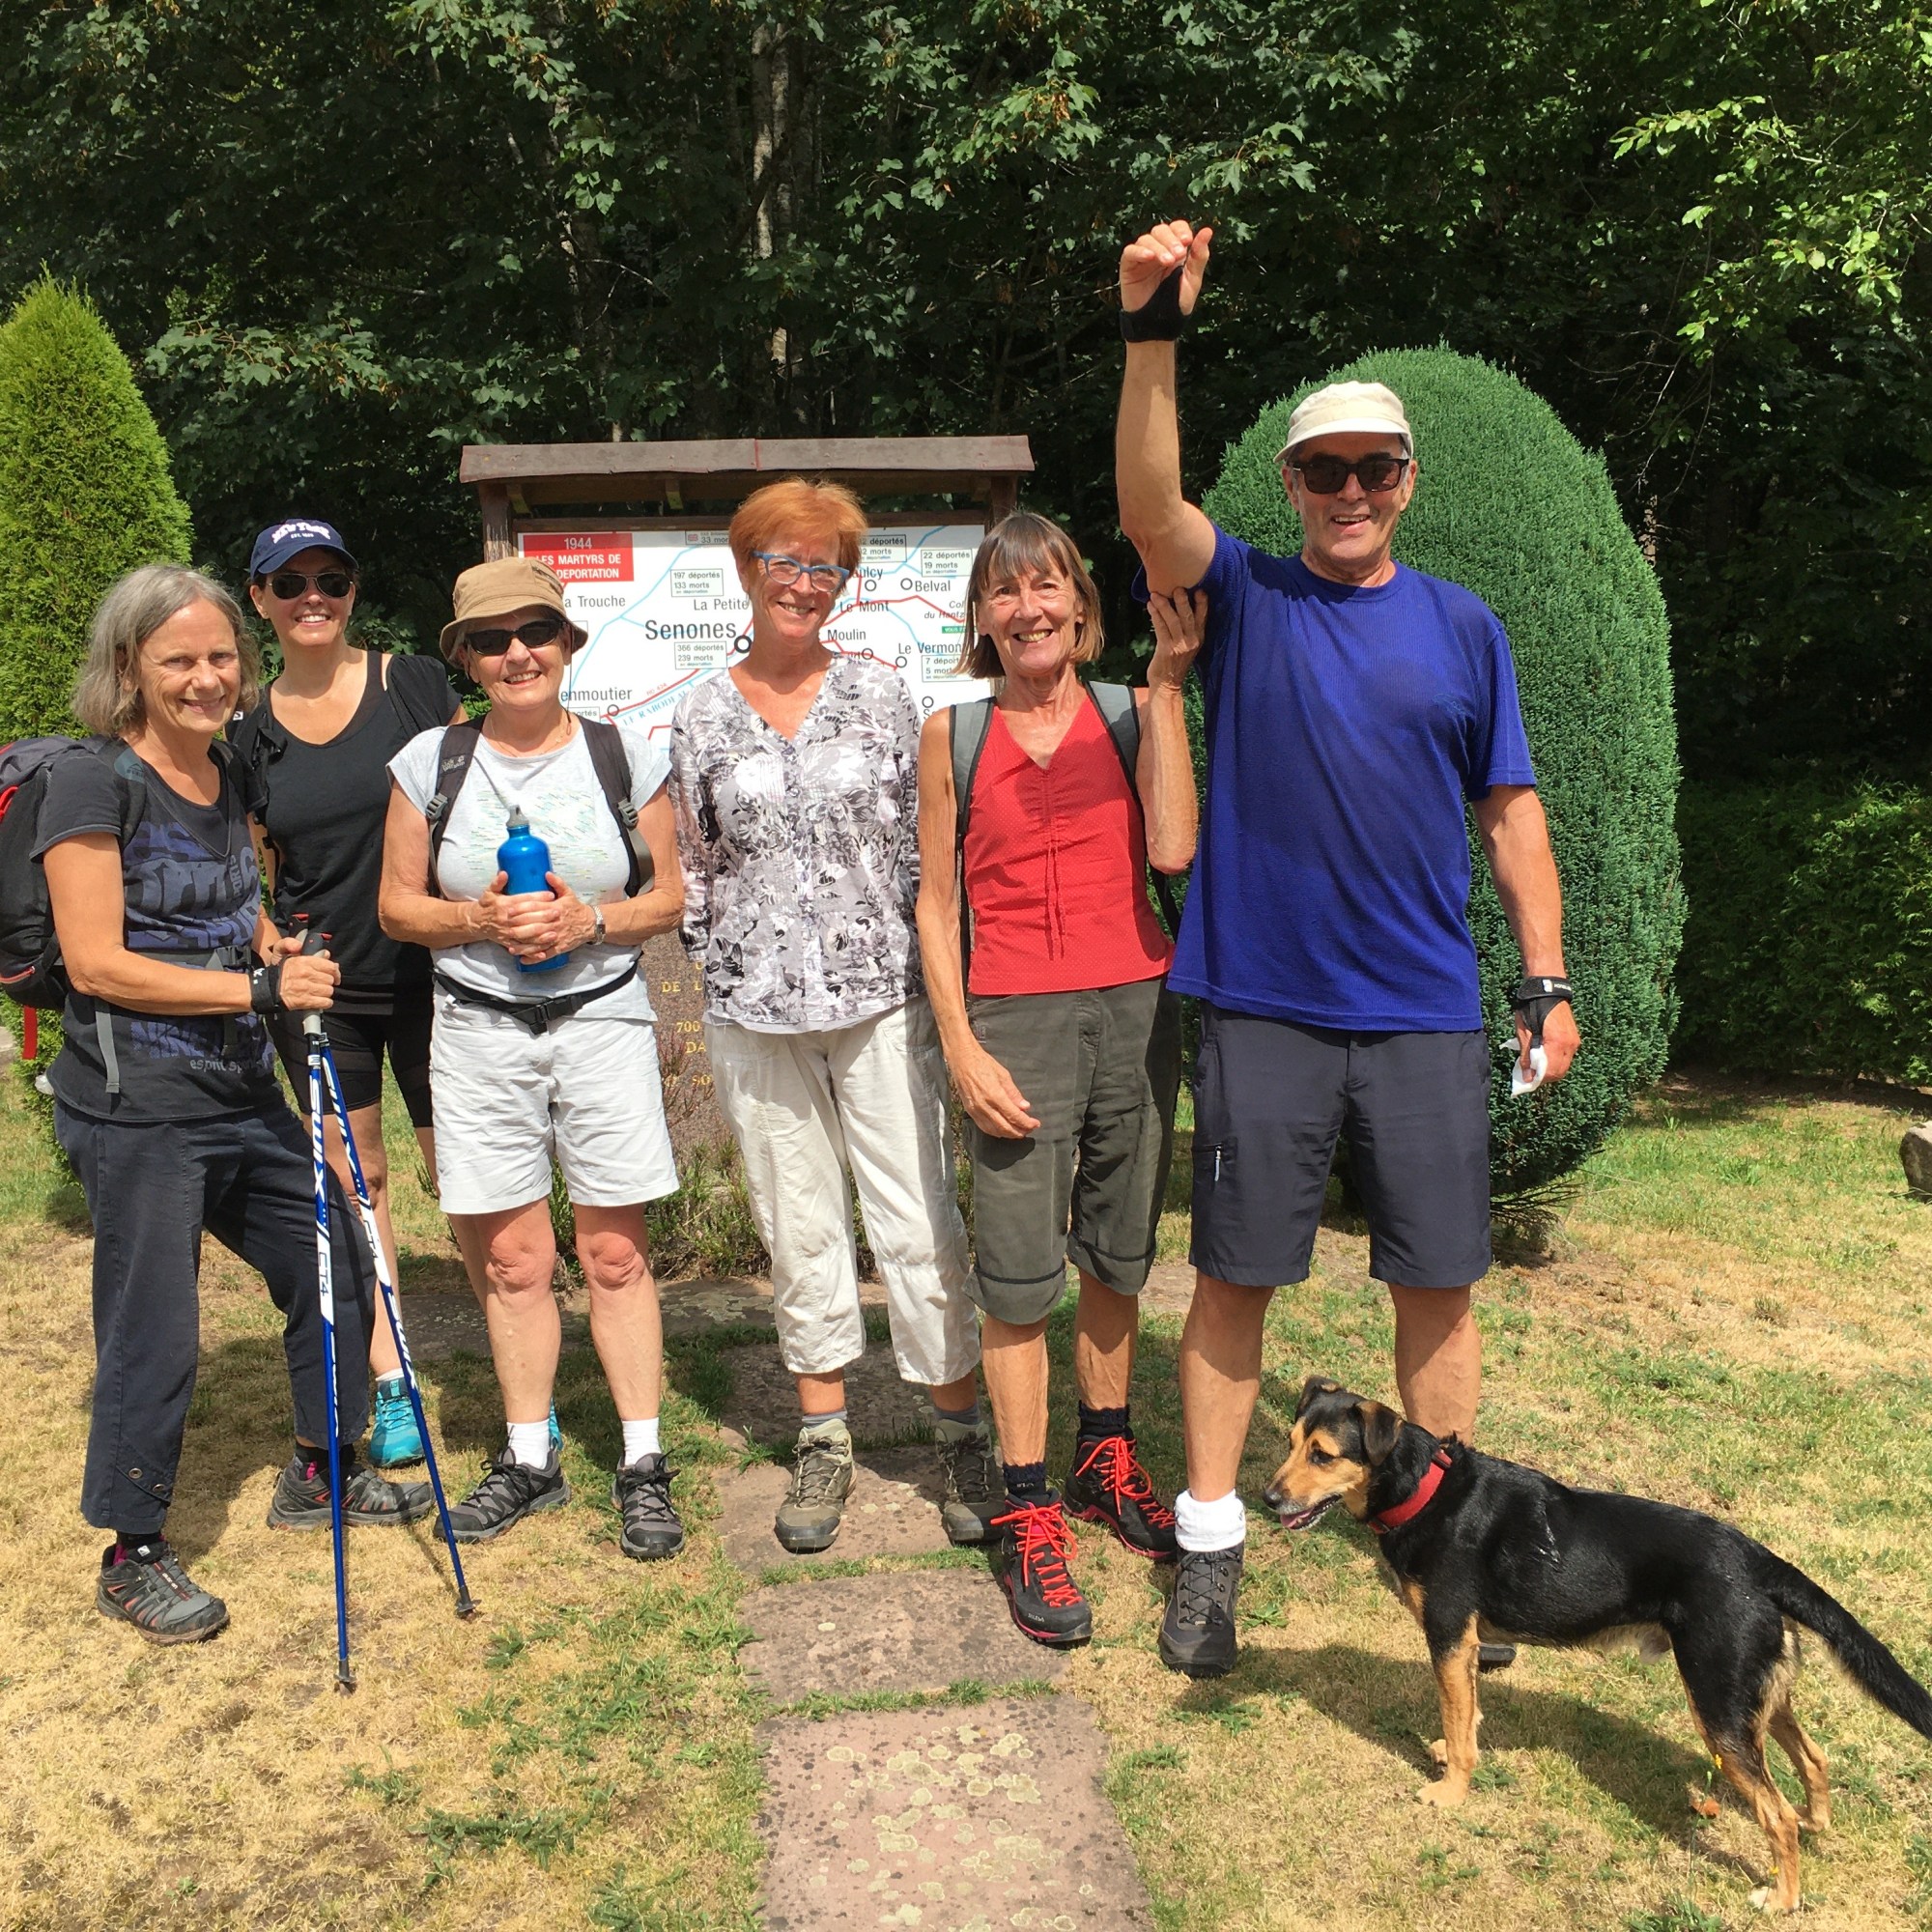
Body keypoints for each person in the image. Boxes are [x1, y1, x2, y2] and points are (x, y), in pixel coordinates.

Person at [1114, 217, 1582, 1678]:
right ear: (1292, 486)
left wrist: (1547, 977)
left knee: (1435, 1285)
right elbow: (1147, 505)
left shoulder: (1464, 628)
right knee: (1234, 1280)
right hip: (1263, 1006)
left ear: (1407, 482)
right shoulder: (1248, 597)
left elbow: (1510, 812)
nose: (1350, 492)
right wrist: (1150, 330)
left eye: (1374, 469)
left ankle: (1453, 1558)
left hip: (1425, 1012)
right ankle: (1209, 1549)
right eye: (1324, 472)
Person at [40, 564, 432, 1646]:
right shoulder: (91, 784)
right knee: (155, 1323)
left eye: (221, 657)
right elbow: (96, 962)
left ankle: (319, 1467)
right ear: (130, 668)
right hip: (136, 1101)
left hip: (236, 1087)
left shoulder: (224, 772)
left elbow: (231, 903)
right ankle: (132, 1550)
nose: (207, 677)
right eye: (180, 660)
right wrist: (258, 993)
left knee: (333, 1255)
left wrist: (272, 942)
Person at [671, 477, 993, 1555]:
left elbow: (918, 851)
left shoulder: (883, 697)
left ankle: (959, 1429)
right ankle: (822, 1434)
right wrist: (724, 968)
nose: (805, 583)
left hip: (879, 1000)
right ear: (746, 569)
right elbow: (697, 863)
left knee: (918, 1218)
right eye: (786, 561)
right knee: (796, 1222)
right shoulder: (701, 713)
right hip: (755, 1010)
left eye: (827, 567)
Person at [915, 513, 1203, 1647]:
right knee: (1017, 1274)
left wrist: (1166, 687)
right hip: (1011, 1018)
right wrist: (960, 1042)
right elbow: (935, 903)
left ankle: (1104, 1454)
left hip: (1134, 1003)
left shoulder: (1131, 711)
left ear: (1080, 606)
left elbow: (1173, 847)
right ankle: (1028, 1505)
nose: (1027, 608)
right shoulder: (952, 734)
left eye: (1047, 587)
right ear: (982, 618)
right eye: (1005, 591)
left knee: (1118, 1249)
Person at [379, 555, 687, 1556]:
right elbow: (397, 905)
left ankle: (642, 1461)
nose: (517, 653)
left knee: (614, 1253)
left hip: (599, 1021)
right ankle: (528, 1457)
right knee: (515, 1262)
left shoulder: (623, 755)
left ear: (567, 642)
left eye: (535, 632)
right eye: (492, 639)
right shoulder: (429, 763)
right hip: (477, 1030)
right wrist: (478, 918)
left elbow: (668, 897)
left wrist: (586, 918)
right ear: (466, 658)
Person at [231, 518, 465, 1469]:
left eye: (330, 577)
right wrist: (262, 930)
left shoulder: (413, 684)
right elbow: (243, 858)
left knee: (464, 1174)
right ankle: (393, 1375)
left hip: (440, 972)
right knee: (357, 1180)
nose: (313, 597)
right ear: (259, 600)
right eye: (289, 584)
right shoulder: (246, 730)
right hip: (325, 988)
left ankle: (519, 1368)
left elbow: (476, 795)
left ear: (352, 589)